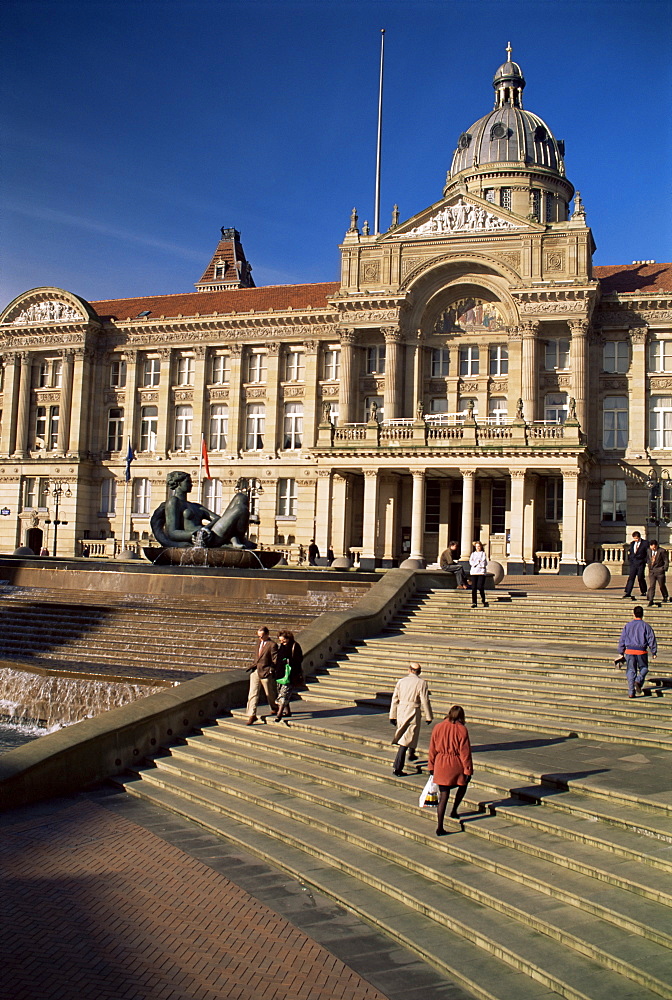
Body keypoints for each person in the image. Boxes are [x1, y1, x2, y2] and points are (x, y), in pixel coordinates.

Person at [428, 705, 473, 834]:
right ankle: (454, 810)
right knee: (463, 785)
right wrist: (468, 770)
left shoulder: (438, 727)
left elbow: (432, 748)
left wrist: (431, 765)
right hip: (455, 763)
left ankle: (440, 826)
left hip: (440, 763)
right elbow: (465, 753)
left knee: (444, 795)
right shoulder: (462, 730)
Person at [389, 662, 433, 775]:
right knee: (407, 737)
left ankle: (411, 752)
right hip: (412, 710)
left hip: (401, 710)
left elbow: (395, 698)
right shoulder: (421, 683)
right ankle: (398, 767)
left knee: (408, 735)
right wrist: (429, 716)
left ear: (409, 670)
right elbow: (425, 700)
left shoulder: (401, 681)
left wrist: (392, 715)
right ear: (419, 672)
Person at [618, 605, 657, 698]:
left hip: (630, 651)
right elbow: (651, 639)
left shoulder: (628, 626)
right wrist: (654, 651)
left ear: (633, 614)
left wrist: (621, 650)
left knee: (631, 671)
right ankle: (638, 680)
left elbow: (622, 639)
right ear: (642, 615)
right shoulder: (646, 626)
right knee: (644, 668)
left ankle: (631, 692)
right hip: (641, 651)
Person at [245, 626, 279, 724]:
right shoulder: (258, 643)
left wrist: (271, 669)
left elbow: (275, 660)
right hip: (256, 671)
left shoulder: (272, 645)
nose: (260, 638)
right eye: (258, 636)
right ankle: (251, 715)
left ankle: (274, 706)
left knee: (269, 693)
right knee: (253, 693)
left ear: (267, 634)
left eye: (262, 636)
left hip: (265, 671)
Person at [272, 628, 303, 721]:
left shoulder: (295, 646)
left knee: (284, 694)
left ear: (288, 638)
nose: (282, 642)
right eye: (280, 640)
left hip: (290, 674)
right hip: (280, 674)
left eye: (283, 640)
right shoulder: (281, 646)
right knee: (281, 692)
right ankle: (288, 711)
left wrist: (289, 662)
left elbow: (299, 659)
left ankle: (279, 714)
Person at [622, 531, 648, 600]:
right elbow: (631, 552)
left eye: (637, 538)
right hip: (633, 563)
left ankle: (643, 591)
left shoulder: (645, 543)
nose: (636, 540)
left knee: (640, 577)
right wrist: (631, 559)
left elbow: (647, 553)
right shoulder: (632, 543)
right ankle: (628, 592)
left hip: (641, 563)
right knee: (631, 577)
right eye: (635, 538)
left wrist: (644, 560)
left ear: (639, 537)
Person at [646, 539, 669, 606]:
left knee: (661, 585)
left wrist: (664, 568)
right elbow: (648, 558)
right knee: (652, 585)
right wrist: (649, 564)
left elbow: (666, 560)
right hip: (652, 571)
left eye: (654, 547)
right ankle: (651, 599)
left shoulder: (662, 551)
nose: (653, 548)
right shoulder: (648, 550)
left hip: (660, 571)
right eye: (651, 547)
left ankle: (665, 596)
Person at [469, 540, 488, 609]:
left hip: (481, 572)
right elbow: (471, 562)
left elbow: (483, 563)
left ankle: (483, 599)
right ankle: (474, 602)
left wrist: (476, 562)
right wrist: (477, 562)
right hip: (474, 572)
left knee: (480, 586)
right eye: (476, 546)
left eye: (479, 546)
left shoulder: (483, 554)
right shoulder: (473, 554)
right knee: (473, 588)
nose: (477, 548)